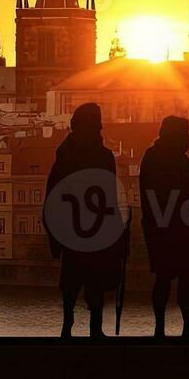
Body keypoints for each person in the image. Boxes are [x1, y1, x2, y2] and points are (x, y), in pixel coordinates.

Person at [45, 103, 128, 339]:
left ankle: (77, 327)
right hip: (86, 227)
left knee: (85, 281)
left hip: (81, 228)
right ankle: (83, 328)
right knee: (86, 281)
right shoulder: (97, 155)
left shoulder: (79, 154)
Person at [138, 116, 189, 339]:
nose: (188, 138)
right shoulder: (165, 159)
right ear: (175, 134)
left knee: (170, 278)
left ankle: (169, 328)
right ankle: (180, 327)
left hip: (169, 228)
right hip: (172, 229)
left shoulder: (158, 157)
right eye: (185, 134)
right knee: (174, 278)